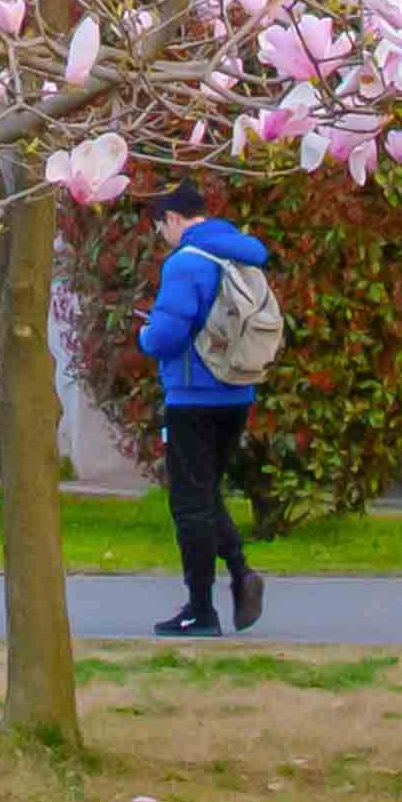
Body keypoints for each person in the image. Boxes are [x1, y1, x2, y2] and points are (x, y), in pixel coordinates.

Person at [139, 182, 279, 639]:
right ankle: (240, 574)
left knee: (189, 504)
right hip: (237, 391)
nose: (163, 236)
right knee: (206, 493)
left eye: (161, 227)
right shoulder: (242, 255)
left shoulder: (186, 263)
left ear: (173, 219)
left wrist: (144, 336)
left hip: (191, 396)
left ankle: (201, 609)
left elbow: (164, 337)